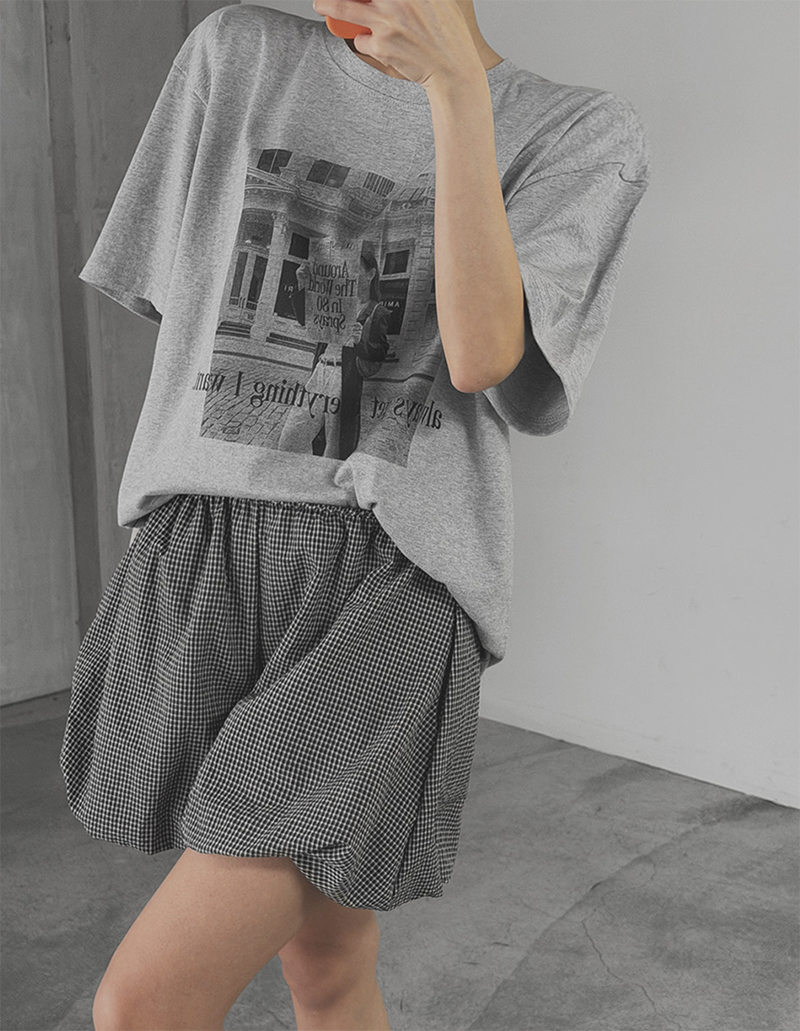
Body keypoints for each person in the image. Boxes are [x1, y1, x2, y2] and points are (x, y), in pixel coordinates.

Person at [60, 2, 650, 1029]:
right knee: (328, 971)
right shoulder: (235, 54)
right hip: (207, 548)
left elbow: (484, 357)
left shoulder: (577, 130)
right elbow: (189, 312)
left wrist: (455, 93)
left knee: (143, 1005)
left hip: (394, 576)